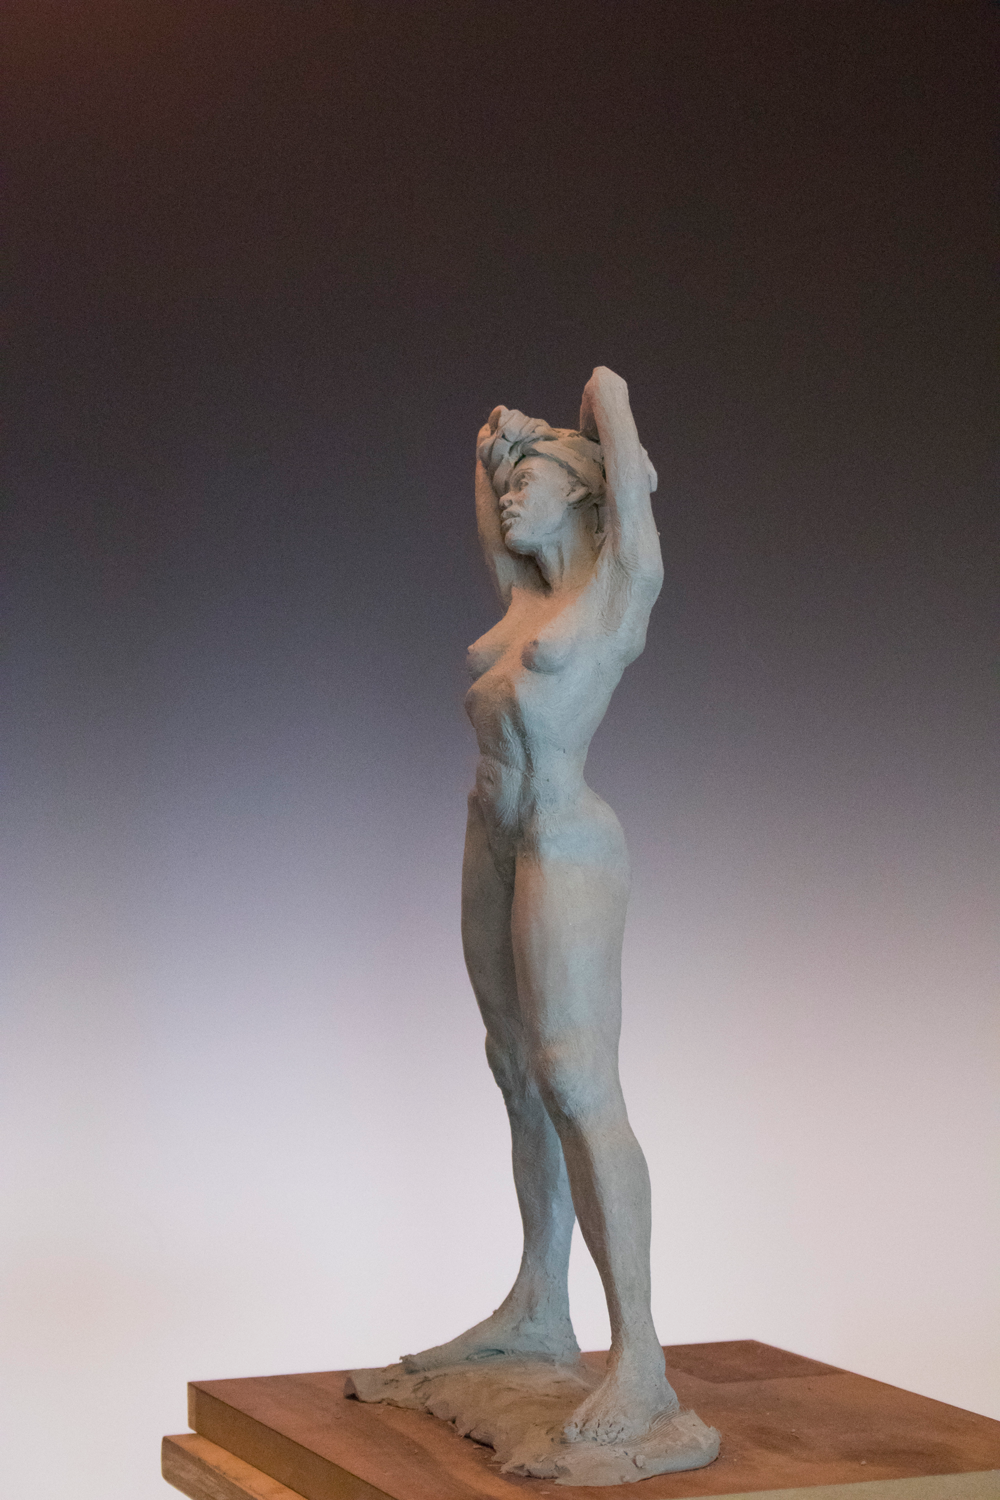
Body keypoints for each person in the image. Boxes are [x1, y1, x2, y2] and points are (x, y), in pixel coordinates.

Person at [402, 366, 677, 1446]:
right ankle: (537, 1307)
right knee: (513, 1066)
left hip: (565, 839)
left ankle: (641, 1358)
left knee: (574, 1077)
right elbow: (489, 487)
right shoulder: (523, 601)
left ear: (585, 493)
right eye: (510, 486)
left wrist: (608, 400)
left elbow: (638, 532)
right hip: (494, 834)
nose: (511, 497)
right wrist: (498, 446)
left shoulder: (611, 600)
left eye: (533, 484)